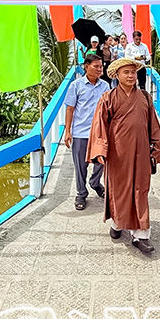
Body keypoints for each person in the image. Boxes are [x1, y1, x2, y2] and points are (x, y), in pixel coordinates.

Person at [87, 58, 160, 253]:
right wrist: (100, 149)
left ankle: (141, 235)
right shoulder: (108, 98)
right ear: (117, 75)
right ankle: (117, 223)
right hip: (118, 153)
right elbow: (99, 125)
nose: (131, 76)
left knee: (140, 190)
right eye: (126, 72)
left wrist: (157, 148)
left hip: (141, 152)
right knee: (120, 191)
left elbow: (154, 125)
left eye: (133, 72)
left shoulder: (145, 98)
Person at [63, 54, 110, 210]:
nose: (99, 69)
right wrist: (67, 131)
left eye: (101, 66)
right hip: (80, 132)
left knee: (101, 161)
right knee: (80, 165)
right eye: (96, 66)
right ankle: (81, 193)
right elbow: (70, 109)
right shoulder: (76, 85)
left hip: (99, 132)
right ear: (86, 66)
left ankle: (95, 183)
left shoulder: (105, 86)